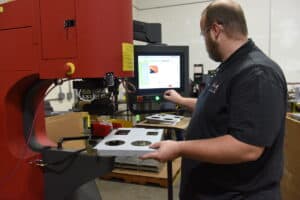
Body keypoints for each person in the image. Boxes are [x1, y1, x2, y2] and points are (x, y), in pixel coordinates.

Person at [140, 0, 287, 199]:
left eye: (204, 34)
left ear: (216, 30)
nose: (205, 40)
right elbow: (217, 107)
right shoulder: (230, 66)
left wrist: (179, 148)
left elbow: (247, 147)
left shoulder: (257, 74)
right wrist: (181, 100)